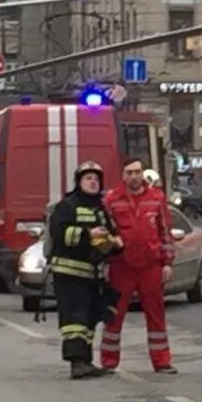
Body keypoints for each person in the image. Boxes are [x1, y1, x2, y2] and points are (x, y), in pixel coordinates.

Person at [99, 157, 178, 373]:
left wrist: (167, 263)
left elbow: (165, 232)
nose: (134, 176)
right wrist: (105, 263)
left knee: (156, 315)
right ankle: (108, 361)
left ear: (143, 173)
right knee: (114, 315)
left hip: (150, 266)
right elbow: (105, 233)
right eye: (129, 172)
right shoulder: (111, 200)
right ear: (122, 175)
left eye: (137, 172)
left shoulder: (156, 198)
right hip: (121, 266)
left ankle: (162, 361)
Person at [47, 161, 121, 379]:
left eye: (96, 179)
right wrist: (89, 235)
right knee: (74, 319)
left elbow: (112, 234)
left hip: (92, 274)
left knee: (90, 317)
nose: (93, 182)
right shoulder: (68, 205)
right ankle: (76, 362)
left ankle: (86, 360)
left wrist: (114, 243)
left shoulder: (101, 209)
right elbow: (60, 233)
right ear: (79, 182)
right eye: (88, 178)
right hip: (69, 273)